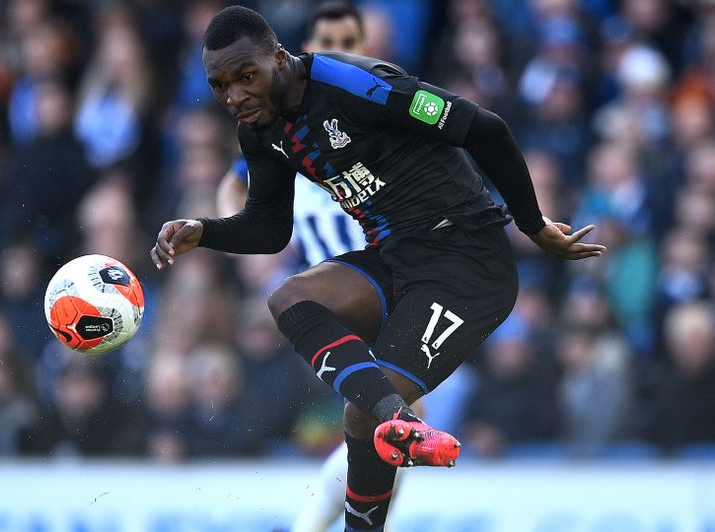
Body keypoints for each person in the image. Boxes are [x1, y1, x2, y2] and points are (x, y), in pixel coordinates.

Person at [151, 6, 605, 531]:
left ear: (279, 57)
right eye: (220, 86)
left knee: (363, 413)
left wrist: (531, 224)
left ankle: (392, 422)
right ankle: (398, 423)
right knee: (291, 300)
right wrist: (204, 231)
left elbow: (485, 128)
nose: (235, 96)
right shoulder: (258, 128)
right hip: (394, 257)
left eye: (246, 77)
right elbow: (270, 227)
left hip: (468, 263)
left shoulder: (356, 84)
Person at [216, 4, 416, 530]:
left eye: (350, 38)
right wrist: (247, 247)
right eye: (328, 38)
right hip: (336, 294)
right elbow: (237, 181)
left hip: (389, 282)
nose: (339, 46)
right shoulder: (284, 121)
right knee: (390, 423)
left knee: (389, 426)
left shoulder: (375, 106)